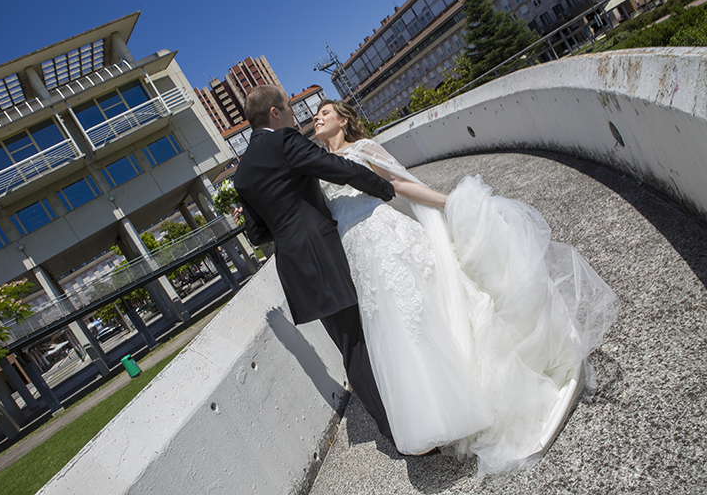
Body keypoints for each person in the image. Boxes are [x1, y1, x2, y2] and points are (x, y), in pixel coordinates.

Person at [313, 99, 618, 475]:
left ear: (344, 120)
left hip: (388, 241)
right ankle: (443, 411)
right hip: (359, 257)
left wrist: (449, 202)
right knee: (398, 334)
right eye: (316, 115)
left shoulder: (363, 149)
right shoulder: (316, 168)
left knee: (429, 311)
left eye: (325, 113)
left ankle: (485, 393)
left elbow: (399, 184)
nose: (317, 118)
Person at [232, 85, 397, 440]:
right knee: (359, 344)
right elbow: (335, 167)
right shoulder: (283, 141)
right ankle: (399, 431)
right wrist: (384, 187)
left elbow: (257, 233)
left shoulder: (241, 173)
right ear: (274, 112)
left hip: (294, 267)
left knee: (349, 344)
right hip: (320, 255)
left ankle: (394, 423)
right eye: (289, 107)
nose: (293, 114)